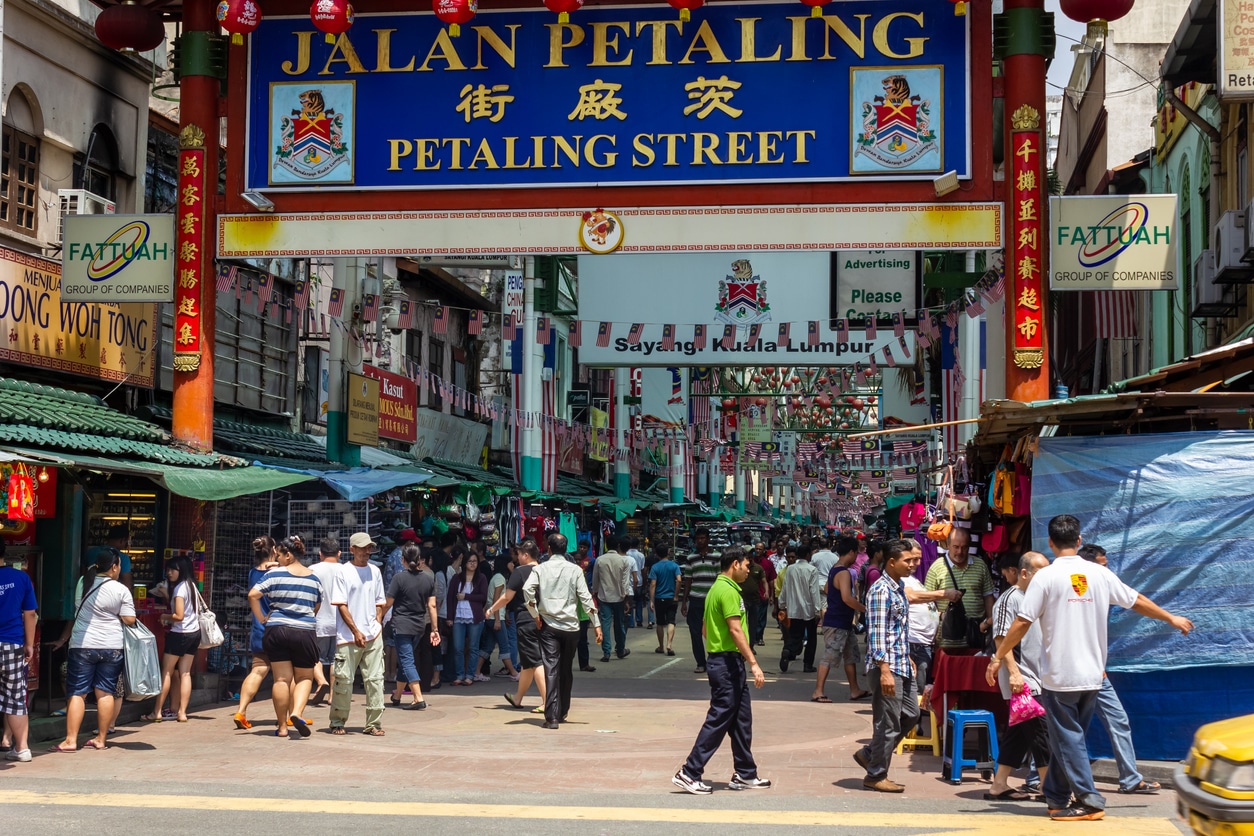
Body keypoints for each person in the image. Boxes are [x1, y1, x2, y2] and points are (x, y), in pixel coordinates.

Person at [986, 515, 1193, 822]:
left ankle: (1089, 799)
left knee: (1068, 738)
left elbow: (1022, 622)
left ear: (1051, 543)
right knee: (1066, 738)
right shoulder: (1099, 574)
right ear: (1079, 541)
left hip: (1060, 677)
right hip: (1093, 676)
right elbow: (1135, 600)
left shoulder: (1045, 577)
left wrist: (996, 656)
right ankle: (1056, 797)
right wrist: (1170, 618)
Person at [672, 547, 771, 795]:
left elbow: (706, 629)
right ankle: (690, 771)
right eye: (747, 566)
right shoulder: (727, 591)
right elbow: (736, 630)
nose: (749, 570)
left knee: (741, 720)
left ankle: (745, 773)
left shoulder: (716, 589)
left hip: (725, 662)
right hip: (727, 664)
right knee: (718, 719)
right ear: (735, 564)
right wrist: (754, 663)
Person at [1077, 543, 1161, 795]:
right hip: (1073, 674)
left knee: (1116, 721)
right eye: (1103, 565)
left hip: (1096, 673)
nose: (1108, 570)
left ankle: (1130, 778)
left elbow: (1134, 599)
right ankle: (1038, 776)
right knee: (1065, 728)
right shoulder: (1071, 587)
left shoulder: (1099, 585)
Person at [48, 549, 137, 752]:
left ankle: (70, 740)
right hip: (111, 646)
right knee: (105, 693)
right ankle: (101, 739)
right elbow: (130, 619)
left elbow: (78, 607)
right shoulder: (121, 589)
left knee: (77, 693)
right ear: (114, 567)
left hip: (82, 645)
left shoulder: (83, 582)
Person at [854, 539, 921, 793]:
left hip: (901, 662)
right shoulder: (881, 590)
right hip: (887, 666)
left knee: (912, 714)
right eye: (908, 561)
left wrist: (907, 655)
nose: (913, 565)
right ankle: (876, 774)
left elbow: (897, 628)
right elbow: (877, 634)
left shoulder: (899, 586)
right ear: (891, 562)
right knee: (888, 723)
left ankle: (871, 753)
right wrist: (884, 670)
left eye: (914, 560)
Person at [985, 552, 1051, 801]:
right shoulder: (1009, 599)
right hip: (1023, 679)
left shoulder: (1040, 597)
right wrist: (1014, 674)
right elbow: (1001, 638)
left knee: (1019, 734)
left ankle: (999, 784)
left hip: (1037, 676)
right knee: (1041, 733)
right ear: (1024, 573)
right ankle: (1048, 787)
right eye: (1039, 572)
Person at [523, 532, 602, 729]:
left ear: (548, 549)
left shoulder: (540, 569)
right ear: (566, 549)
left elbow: (527, 590)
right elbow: (585, 597)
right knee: (566, 669)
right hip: (572, 627)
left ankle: (552, 717)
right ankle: (563, 710)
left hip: (548, 625)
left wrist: (535, 613)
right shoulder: (575, 570)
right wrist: (597, 623)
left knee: (551, 669)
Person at [330, 532, 388, 735]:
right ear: (352, 549)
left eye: (369, 548)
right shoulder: (343, 572)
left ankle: (374, 724)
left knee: (375, 680)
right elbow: (341, 605)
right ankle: (338, 721)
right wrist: (355, 630)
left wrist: (377, 622)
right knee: (344, 679)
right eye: (362, 548)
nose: (367, 552)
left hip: (373, 634)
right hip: (347, 636)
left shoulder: (375, 571)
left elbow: (380, 602)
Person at [486, 538, 547, 712]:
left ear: (526, 555)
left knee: (535, 661)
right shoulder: (543, 570)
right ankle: (518, 697)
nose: (517, 557)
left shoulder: (520, 572)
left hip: (526, 619)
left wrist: (491, 609)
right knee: (528, 662)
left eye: (519, 554)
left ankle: (546, 701)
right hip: (542, 618)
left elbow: (507, 597)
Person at [812, 536, 868, 703]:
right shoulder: (842, 572)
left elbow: (828, 589)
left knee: (850, 655)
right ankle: (818, 691)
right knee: (829, 656)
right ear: (851, 552)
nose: (855, 558)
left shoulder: (835, 569)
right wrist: (866, 609)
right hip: (837, 623)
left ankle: (855, 689)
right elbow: (847, 598)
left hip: (842, 622)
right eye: (855, 554)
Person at [146, 556, 202, 723]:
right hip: (194, 633)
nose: (169, 573)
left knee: (167, 672)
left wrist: (165, 616)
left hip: (180, 634)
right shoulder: (192, 586)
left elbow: (178, 616)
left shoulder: (179, 589)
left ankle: (156, 711)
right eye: (168, 569)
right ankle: (182, 713)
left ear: (181, 570)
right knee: (185, 673)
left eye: (173, 569)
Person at [384, 542, 439, 710]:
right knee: (404, 659)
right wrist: (435, 630)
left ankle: (418, 697)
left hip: (401, 626)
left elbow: (388, 603)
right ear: (420, 560)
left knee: (407, 661)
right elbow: (432, 606)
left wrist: (377, 617)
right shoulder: (428, 579)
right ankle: (398, 695)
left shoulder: (399, 578)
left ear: (403, 560)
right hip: (419, 627)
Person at [924, 527, 994, 654]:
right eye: (956, 547)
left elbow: (988, 596)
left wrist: (989, 622)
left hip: (975, 635)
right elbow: (927, 600)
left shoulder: (980, 565)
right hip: (947, 639)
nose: (960, 551)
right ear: (948, 545)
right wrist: (937, 620)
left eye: (964, 547)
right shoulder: (936, 567)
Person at [0, 541, 37, 762]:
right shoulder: (21, 578)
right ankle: (22, 748)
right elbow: (29, 614)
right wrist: (29, 644)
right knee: (15, 697)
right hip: (13, 645)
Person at [679, 529, 721, 674]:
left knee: (712, 632)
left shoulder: (717, 556)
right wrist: (684, 601)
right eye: (698, 539)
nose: (700, 541)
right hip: (695, 599)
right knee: (695, 632)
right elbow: (688, 580)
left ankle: (713, 660)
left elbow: (719, 579)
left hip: (711, 600)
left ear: (708, 539)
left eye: (703, 538)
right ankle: (700, 663)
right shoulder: (691, 557)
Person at [446, 549, 489, 686]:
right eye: (470, 561)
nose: (472, 564)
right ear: (464, 563)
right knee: (458, 647)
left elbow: (483, 597)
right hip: (458, 616)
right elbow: (450, 598)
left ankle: (470, 675)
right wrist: (450, 617)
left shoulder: (481, 578)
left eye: (475, 561)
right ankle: (460, 674)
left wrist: (466, 597)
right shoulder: (456, 578)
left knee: (473, 647)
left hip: (475, 617)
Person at [778, 547, 822, 674]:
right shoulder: (812, 570)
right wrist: (817, 610)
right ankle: (807, 664)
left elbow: (785, 588)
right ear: (808, 555)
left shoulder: (791, 569)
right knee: (811, 638)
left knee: (795, 635)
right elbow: (814, 592)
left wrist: (782, 603)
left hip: (794, 609)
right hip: (808, 609)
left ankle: (789, 650)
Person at [308, 537, 341, 705]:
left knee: (316, 657)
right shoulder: (346, 570)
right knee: (336, 659)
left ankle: (321, 681)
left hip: (318, 621)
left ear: (320, 554)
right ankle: (333, 695)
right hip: (341, 622)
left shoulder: (312, 570)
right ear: (339, 553)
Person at [591, 535, 634, 662]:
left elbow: (595, 579)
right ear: (618, 546)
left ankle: (606, 652)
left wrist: (595, 592)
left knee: (605, 623)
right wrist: (626, 598)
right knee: (619, 624)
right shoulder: (623, 561)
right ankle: (620, 649)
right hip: (619, 597)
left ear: (606, 545)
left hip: (604, 597)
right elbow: (625, 582)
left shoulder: (600, 560)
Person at [480, 553, 519, 681]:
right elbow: (496, 600)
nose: (513, 565)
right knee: (504, 645)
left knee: (488, 647)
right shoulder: (500, 579)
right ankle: (513, 672)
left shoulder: (496, 577)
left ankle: (475, 671)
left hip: (493, 617)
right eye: (511, 562)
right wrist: (497, 619)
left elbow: (490, 600)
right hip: (496, 618)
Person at [649, 544, 682, 656]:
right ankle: (669, 644)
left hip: (659, 597)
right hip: (671, 598)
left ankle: (661, 646)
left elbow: (653, 584)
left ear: (657, 554)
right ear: (668, 552)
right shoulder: (674, 566)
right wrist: (676, 595)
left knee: (660, 622)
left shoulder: (655, 567)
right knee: (671, 621)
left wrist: (651, 600)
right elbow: (679, 580)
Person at [86, 524, 134, 592]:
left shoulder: (91, 552)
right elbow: (127, 584)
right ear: (122, 540)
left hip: (89, 593)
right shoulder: (122, 557)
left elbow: (82, 575)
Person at [626, 538, 648, 628]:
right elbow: (643, 570)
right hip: (639, 581)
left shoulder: (626, 554)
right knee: (639, 601)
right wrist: (644, 581)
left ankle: (630, 622)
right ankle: (639, 620)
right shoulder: (641, 555)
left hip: (629, 581)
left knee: (630, 602)